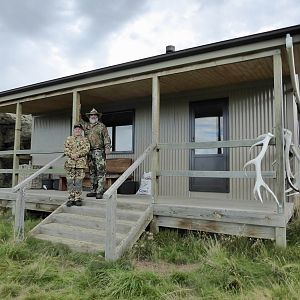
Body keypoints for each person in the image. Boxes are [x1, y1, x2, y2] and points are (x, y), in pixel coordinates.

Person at [81, 108, 111, 199]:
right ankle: (93, 190)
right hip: (89, 152)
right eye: (91, 115)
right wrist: (78, 108)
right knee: (92, 172)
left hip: (99, 151)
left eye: (95, 115)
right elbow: (78, 121)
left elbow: (106, 137)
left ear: (97, 117)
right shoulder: (86, 126)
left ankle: (100, 191)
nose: (93, 116)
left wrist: (107, 147)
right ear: (89, 117)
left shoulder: (102, 126)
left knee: (100, 172)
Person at [64, 123, 90, 206]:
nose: (77, 130)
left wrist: (77, 155)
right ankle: (71, 198)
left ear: (81, 130)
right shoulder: (69, 139)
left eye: (79, 129)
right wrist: (72, 155)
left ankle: (77, 198)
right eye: (76, 129)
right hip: (70, 164)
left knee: (78, 181)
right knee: (70, 181)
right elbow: (66, 149)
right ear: (74, 130)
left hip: (80, 164)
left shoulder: (85, 140)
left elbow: (86, 149)